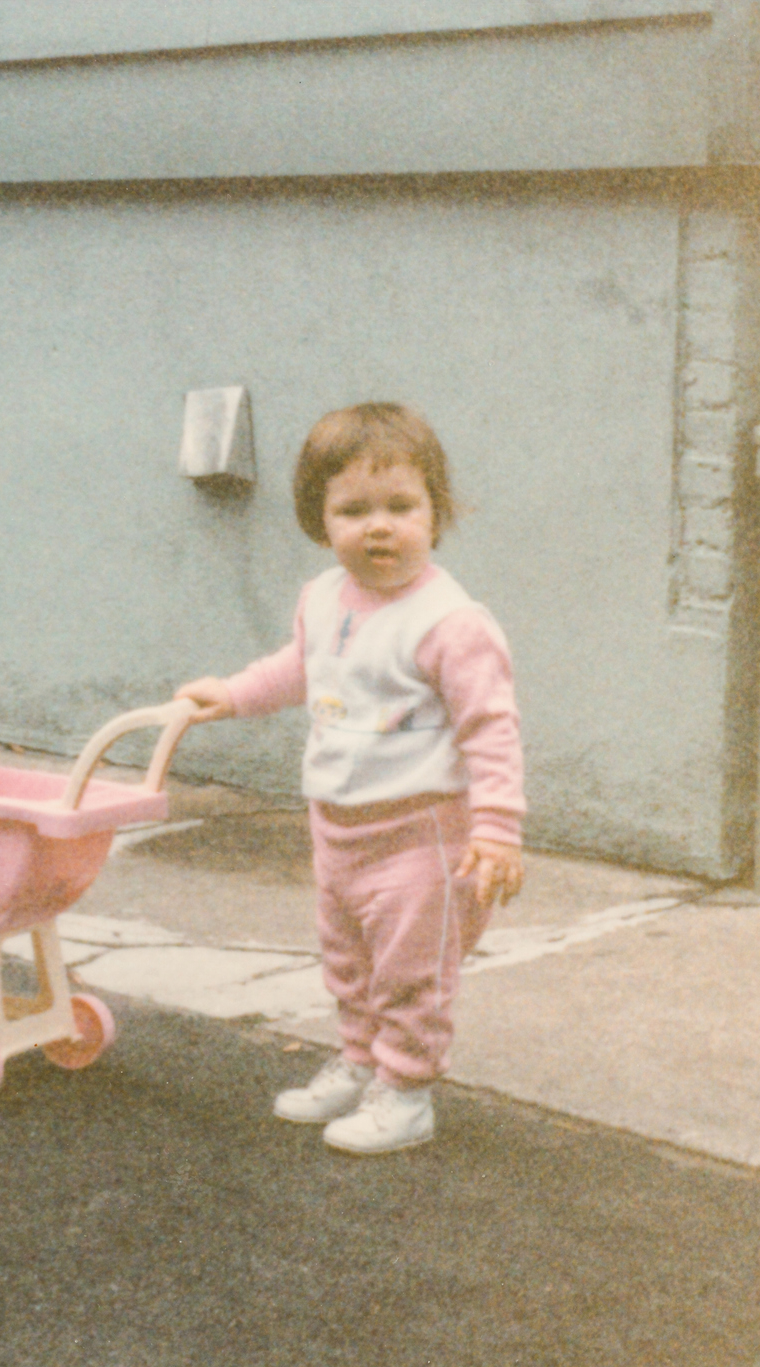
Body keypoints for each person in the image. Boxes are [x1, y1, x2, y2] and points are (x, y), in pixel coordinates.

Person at [176, 402, 524, 1155]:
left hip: (420, 833)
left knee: (410, 972)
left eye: (401, 506)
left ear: (436, 510)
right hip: (338, 830)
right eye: (353, 509)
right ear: (319, 519)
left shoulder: (450, 623)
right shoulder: (322, 597)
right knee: (349, 960)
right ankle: (361, 1062)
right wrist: (232, 693)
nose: (379, 526)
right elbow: (300, 668)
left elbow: (491, 729)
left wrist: (497, 829)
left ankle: (406, 1092)